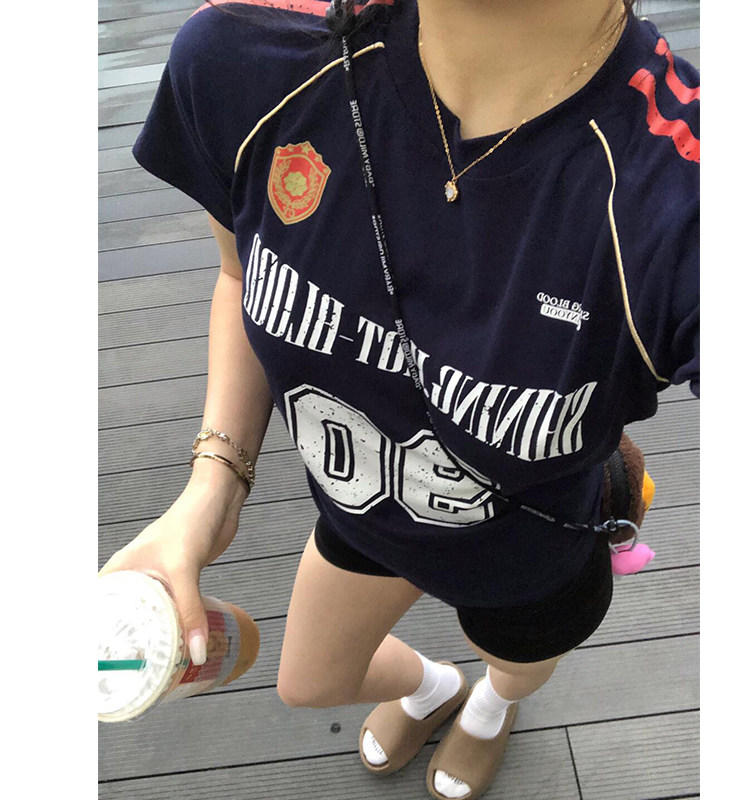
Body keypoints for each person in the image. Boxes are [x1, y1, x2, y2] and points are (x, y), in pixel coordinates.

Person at [99, 0, 699, 797]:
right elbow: (241, 274)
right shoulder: (248, 61)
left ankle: (491, 707)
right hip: (364, 514)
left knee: (515, 663)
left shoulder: (683, 191)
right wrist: (213, 486)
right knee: (308, 681)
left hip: (528, 553)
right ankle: (431, 689)